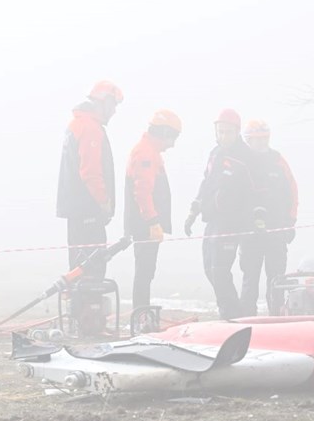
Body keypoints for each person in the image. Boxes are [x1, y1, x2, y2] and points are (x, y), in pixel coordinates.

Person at [184, 109, 255, 319]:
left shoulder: (245, 156)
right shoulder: (214, 154)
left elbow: (250, 192)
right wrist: (193, 211)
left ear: (237, 132)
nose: (224, 136)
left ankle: (232, 314)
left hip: (232, 222)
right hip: (212, 220)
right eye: (221, 132)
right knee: (209, 268)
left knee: (219, 270)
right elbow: (206, 183)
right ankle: (232, 310)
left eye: (228, 132)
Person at [57, 81, 123, 281]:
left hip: (77, 212)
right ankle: (89, 309)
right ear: (102, 103)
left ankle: (80, 309)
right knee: (92, 268)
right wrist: (104, 203)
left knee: (78, 266)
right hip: (88, 211)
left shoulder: (77, 124)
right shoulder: (90, 128)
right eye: (113, 106)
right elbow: (91, 172)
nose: (113, 112)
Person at [239, 120, 299, 316]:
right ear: (248, 140)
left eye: (264, 138)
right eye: (257, 140)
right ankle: (247, 319)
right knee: (250, 280)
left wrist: (290, 223)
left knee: (276, 280)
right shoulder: (242, 162)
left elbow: (292, 191)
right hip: (250, 234)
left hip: (276, 233)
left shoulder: (277, 161)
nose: (261, 143)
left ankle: (276, 317)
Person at [124, 110, 181, 312]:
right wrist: (153, 221)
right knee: (144, 271)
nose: (172, 144)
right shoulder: (146, 154)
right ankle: (141, 314)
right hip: (145, 226)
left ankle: (142, 312)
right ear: (164, 133)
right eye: (172, 138)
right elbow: (142, 191)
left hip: (146, 224)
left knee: (146, 271)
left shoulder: (150, 152)